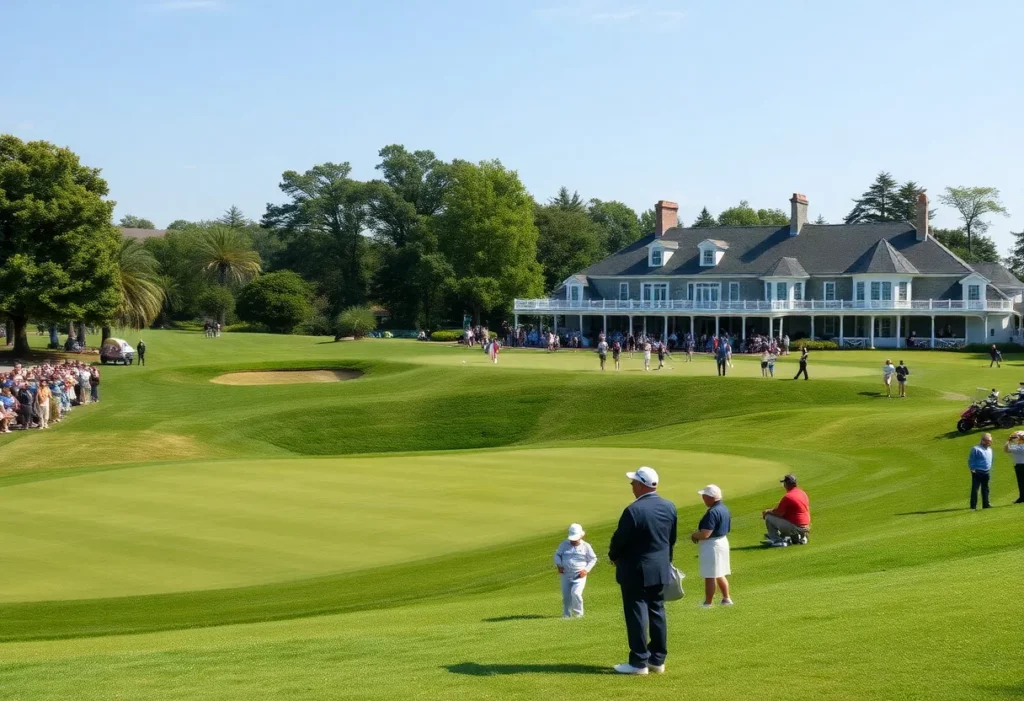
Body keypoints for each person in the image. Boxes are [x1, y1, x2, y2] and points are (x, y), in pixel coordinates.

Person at [608, 466, 678, 676]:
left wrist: (613, 556)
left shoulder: (633, 510)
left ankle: (639, 662)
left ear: (640, 485)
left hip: (635, 570)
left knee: (636, 612)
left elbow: (619, 540)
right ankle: (657, 660)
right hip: (660, 567)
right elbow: (670, 539)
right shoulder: (669, 506)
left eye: (633, 483)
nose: (631, 486)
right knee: (657, 611)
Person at [691, 485, 732, 608]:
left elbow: (705, 534)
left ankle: (708, 603)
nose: (703, 498)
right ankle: (726, 598)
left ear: (711, 497)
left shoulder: (712, 512)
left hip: (712, 545)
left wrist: (694, 535)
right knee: (719, 572)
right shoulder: (724, 508)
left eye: (704, 496)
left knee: (710, 575)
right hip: (722, 541)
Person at [554, 523, 597, 618]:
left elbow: (593, 559)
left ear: (581, 535)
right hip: (565, 574)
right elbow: (557, 555)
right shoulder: (564, 544)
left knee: (576, 593)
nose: (573, 541)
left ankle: (579, 615)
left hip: (579, 575)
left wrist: (586, 570)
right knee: (566, 597)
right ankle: (566, 615)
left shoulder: (586, 546)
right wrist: (559, 565)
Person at [761, 474, 810, 546]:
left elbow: (779, 513)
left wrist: (767, 511)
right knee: (786, 518)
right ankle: (799, 537)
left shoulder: (788, 497)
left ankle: (777, 540)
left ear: (786, 484)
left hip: (796, 527)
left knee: (768, 516)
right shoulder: (802, 493)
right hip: (806, 527)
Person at [968, 433, 993, 510]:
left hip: (986, 471)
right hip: (977, 471)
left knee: (985, 488)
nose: (989, 442)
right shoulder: (976, 449)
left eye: (990, 441)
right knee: (975, 489)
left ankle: (986, 504)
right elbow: (971, 459)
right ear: (983, 441)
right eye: (988, 441)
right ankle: (973, 506)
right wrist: (972, 469)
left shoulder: (989, 449)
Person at [1005, 432, 1024, 504]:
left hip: (1021, 466)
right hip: (1019, 466)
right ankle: (1022, 497)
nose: (1018, 439)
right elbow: (1007, 450)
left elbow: (1006, 449)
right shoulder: (1018, 447)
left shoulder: (1019, 448)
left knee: (1021, 482)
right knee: (1021, 483)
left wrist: (1009, 440)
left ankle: (1022, 497)